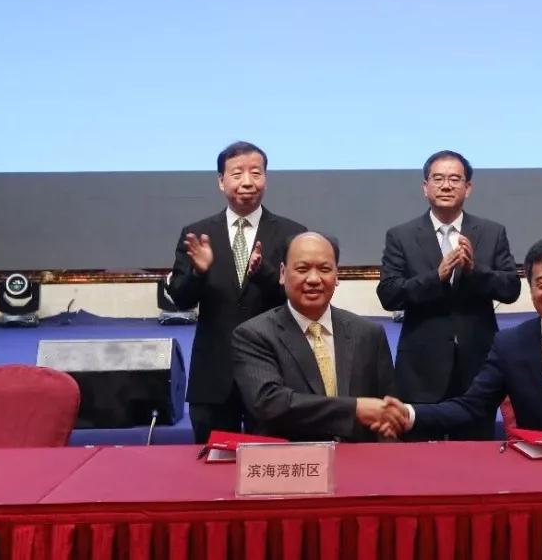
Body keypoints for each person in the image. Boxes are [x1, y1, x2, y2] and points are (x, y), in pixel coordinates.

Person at [384, 237, 542, 439]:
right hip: (536, 468)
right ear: (531, 291)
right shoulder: (511, 344)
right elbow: (471, 407)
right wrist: (409, 413)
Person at [167, 141, 306, 443]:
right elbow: (180, 298)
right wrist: (199, 272)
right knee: (212, 462)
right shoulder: (197, 233)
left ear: (265, 178)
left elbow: (303, 300)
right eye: (237, 173)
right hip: (214, 376)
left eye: (256, 173)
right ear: (221, 181)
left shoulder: (292, 234)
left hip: (275, 373)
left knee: (271, 461)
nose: (247, 182)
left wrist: (266, 274)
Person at [377, 150, 521, 439]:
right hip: (421, 368)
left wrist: (475, 271)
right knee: (420, 456)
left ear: (468, 188)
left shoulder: (491, 232)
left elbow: (511, 289)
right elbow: (389, 294)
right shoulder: (401, 235)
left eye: (455, 179)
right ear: (425, 186)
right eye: (438, 179)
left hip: (477, 365)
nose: (446, 186)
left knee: (474, 452)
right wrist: (436, 277)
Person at [233, 232, 400, 441]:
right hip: (291, 458)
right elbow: (269, 404)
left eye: (324, 269)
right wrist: (354, 409)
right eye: (302, 269)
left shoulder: (368, 333)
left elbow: (387, 414)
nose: (313, 279)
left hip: (359, 457)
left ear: (336, 275)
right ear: (282, 273)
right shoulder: (254, 335)